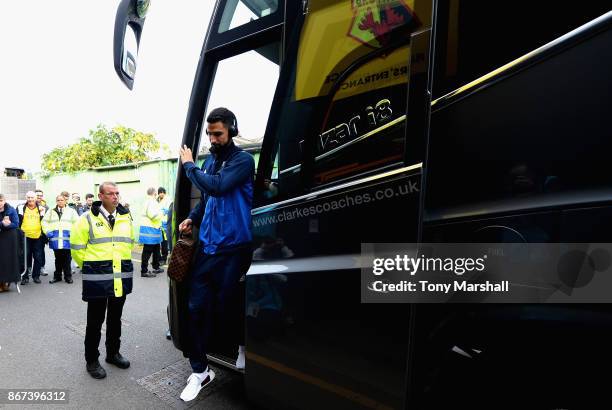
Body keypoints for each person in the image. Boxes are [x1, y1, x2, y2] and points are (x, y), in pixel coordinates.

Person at [178, 107, 254, 402]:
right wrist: (193, 218)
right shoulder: (209, 161)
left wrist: (188, 166)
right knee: (195, 308)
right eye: (209, 133)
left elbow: (219, 187)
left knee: (229, 306)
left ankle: (243, 345)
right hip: (208, 247)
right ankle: (200, 371)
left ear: (232, 131)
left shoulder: (243, 161)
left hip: (234, 247)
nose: (213, 138)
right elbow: (208, 198)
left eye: (218, 133)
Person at [70, 181, 134, 379]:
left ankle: (113, 353)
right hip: (97, 279)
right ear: (101, 196)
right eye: (111, 193)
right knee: (95, 322)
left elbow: (129, 244)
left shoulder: (125, 217)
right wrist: (92, 267)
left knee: (115, 319)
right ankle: (91, 360)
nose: (115, 197)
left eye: (117, 193)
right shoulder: (86, 219)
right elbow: (77, 249)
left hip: (120, 277)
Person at [42, 194, 79, 284]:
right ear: (56, 201)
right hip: (55, 239)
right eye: (58, 200)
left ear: (65, 201)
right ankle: (57, 277)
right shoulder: (51, 211)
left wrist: (73, 232)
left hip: (67, 239)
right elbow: (44, 222)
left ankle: (68, 277)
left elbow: (77, 223)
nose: (60, 202)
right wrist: (47, 232)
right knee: (57, 259)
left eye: (62, 200)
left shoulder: (71, 211)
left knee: (67, 259)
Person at [16, 191, 47, 284]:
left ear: (35, 198)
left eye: (32, 197)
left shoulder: (41, 208)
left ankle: (36, 276)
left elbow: (44, 222)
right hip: (25, 236)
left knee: (38, 257)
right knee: (25, 257)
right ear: (26, 198)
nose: (30, 199)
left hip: (38, 236)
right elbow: (17, 221)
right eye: (28, 197)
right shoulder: (20, 207)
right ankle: (25, 277)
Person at [139, 187, 164, 277]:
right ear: (155, 194)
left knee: (156, 249)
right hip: (150, 230)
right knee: (147, 250)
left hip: (154, 229)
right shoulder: (151, 202)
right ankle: (144, 271)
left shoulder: (148, 201)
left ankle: (156, 267)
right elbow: (153, 216)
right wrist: (163, 213)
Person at [0, 193, 21, 292]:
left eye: (1, 201)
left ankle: (5, 282)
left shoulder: (11, 209)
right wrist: (2, 223)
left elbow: (16, 223)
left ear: (4, 201)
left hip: (9, 239)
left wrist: (7, 225)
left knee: (7, 260)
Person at [157, 187, 171, 265]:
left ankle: (164, 258)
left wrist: (162, 211)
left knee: (164, 242)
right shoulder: (158, 200)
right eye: (159, 193)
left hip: (165, 223)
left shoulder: (168, 200)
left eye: (161, 192)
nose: (160, 194)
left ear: (164, 192)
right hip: (159, 223)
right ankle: (159, 259)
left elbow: (168, 210)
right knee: (159, 242)